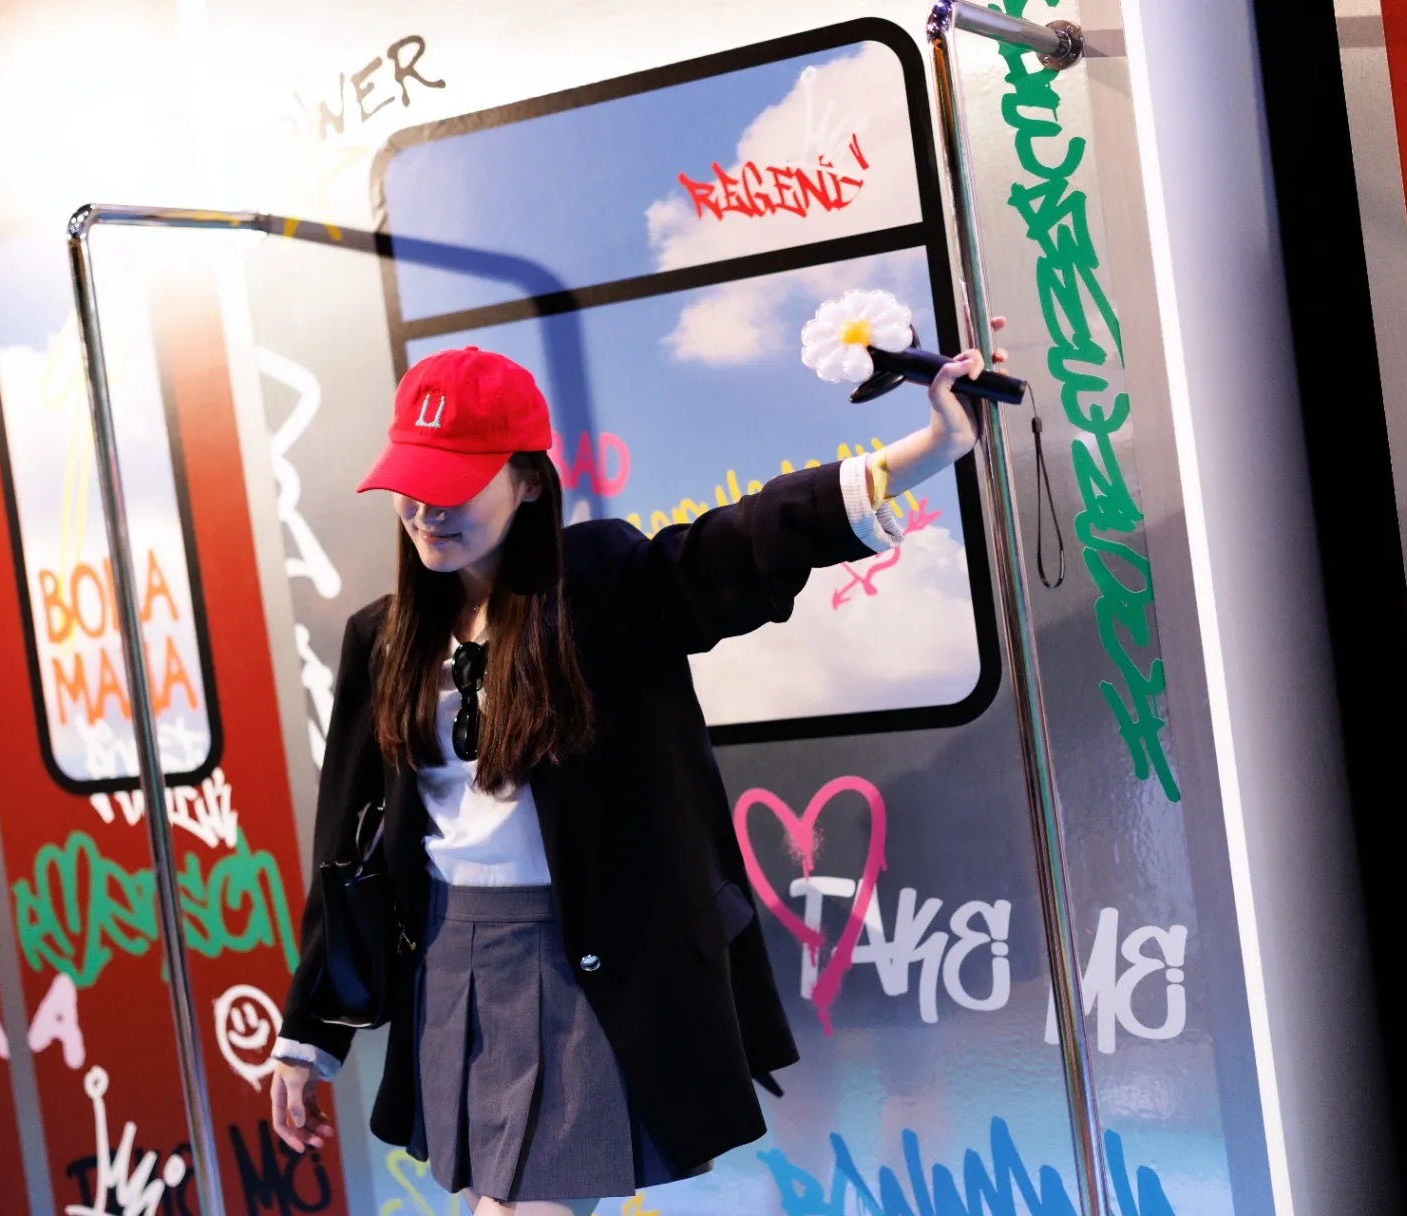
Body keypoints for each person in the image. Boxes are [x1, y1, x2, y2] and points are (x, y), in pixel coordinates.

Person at [266, 325, 1005, 1216]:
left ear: (527, 481)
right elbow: (346, 847)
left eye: (452, 487)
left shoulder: (603, 585)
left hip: (585, 962)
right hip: (452, 967)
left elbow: (745, 541)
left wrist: (934, 446)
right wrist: (306, 1037)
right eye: (410, 486)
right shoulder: (383, 639)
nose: (425, 512)